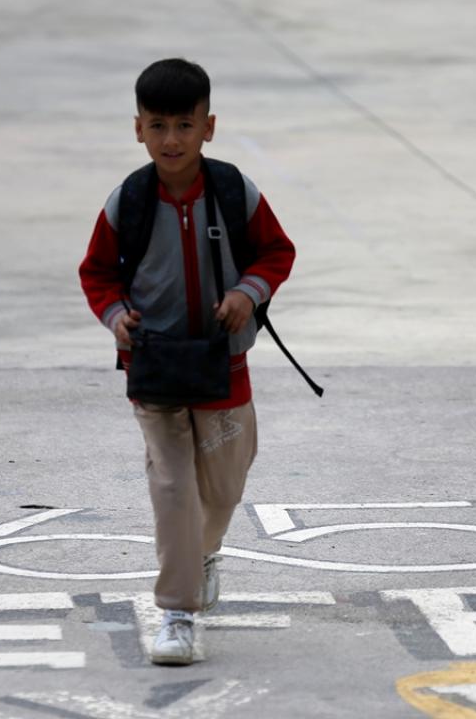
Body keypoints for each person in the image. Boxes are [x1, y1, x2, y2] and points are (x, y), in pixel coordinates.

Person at [78, 57, 297, 665]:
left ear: (209, 127)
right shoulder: (128, 201)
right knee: (173, 487)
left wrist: (247, 292)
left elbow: (277, 252)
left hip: (223, 365)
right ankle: (177, 613)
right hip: (153, 367)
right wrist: (116, 316)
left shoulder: (234, 192)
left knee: (222, 489)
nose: (170, 139)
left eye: (184, 124)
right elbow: (96, 273)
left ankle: (204, 554)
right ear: (138, 129)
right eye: (157, 125)